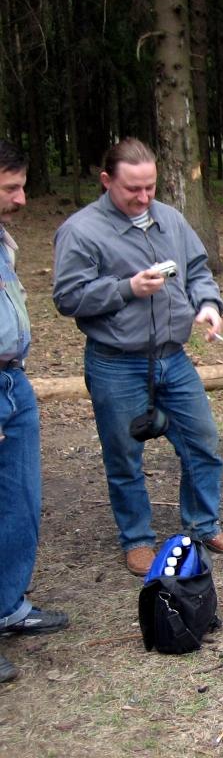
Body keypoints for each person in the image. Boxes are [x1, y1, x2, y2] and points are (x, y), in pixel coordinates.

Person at [53, 138, 223, 577]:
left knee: (202, 442)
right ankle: (137, 539)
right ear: (106, 181)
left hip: (172, 358)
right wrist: (127, 288)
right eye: (132, 189)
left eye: (150, 187)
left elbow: (197, 271)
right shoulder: (81, 231)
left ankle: (203, 525)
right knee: (124, 455)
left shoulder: (170, 220)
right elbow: (68, 297)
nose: (143, 198)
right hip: (116, 362)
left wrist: (207, 304)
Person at [0, 140, 69, 683]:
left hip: (12, 382)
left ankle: (8, 605)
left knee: (20, 502)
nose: (23, 199)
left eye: (21, 186)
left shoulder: (2, 240)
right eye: (10, 188)